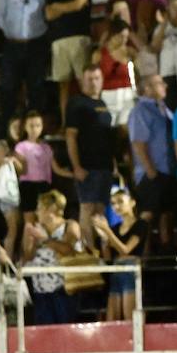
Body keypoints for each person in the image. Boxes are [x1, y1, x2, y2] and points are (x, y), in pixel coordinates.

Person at [65, 66, 115, 248]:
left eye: (96, 78)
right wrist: (76, 165)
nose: (93, 82)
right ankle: (88, 251)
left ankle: (103, 253)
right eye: (89, 79)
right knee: (87, 207)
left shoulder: (103, 104)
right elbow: (70, 135)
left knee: (101, 211)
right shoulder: (77, 103)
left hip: (105, 166)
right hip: (87, 166)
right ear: (82, 81)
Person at [0, 0, 50, 131]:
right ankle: (9, 129)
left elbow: (47, 15)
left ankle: (35, 128)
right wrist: (11, 34)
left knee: (36, 86)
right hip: (13, 44)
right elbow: (0, 17)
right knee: (8, 87)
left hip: (36, 44)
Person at [46, 0, 95, 130]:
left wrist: (59, 6)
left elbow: (78, 4)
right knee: (63, 84)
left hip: (79, 37)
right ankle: (66, 123)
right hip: (58, 40)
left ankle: (88, 120)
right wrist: (64, 7)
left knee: (84, 80)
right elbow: (49, 14)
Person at [22, 189, 83, 325]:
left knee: (65, 330)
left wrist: (44, 239)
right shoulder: (36, 228)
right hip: (40, 290)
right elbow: (28, 256)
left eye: (40, 208)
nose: (37, 213)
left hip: (65, 289)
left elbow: (69, 251)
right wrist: (28, 239)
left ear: (51, 210)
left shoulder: (70, 226)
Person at [127, 74, 173, 245]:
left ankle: (165, 251)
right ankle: (140, 254)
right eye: (159, 83)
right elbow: (138, 143)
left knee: (165, 213)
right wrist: (151, 172)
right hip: (152, 172)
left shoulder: (163, 109)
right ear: (147, 88)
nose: (165, 86)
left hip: (167, 170)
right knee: (148, 213)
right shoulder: (141, 110)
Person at [93, 187, 148, 323]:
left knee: (130, 319)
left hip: (131, 270)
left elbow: (126, 249)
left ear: (132, 202)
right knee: (112, 320)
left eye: (120, 202)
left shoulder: (140, 224)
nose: (116, 206)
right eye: (113, 203)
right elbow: (108, 257)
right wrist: (104, 238)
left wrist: (107, 231)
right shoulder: (115, 228)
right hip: (116, 271)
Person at [14, 109, 72, 231]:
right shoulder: (21, 146)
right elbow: (21, 171)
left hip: (44, 186)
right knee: (29, 222)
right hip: (28, 185)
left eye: (38, 125)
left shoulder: (46, 147)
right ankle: (28, 249)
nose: (35, 129)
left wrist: (72, 174)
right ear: (25, 127)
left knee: (44, 221)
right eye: (31, 126)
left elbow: (56, 169)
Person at [95, 17, 137, 128]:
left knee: (126, 129)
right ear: (112, 35)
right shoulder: (100, 54)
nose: (124, 40)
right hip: (107, 95)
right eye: (121, 36)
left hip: (127, 94)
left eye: (126, 37)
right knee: (109, 129)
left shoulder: (130, 52)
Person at [152, 0, 177, 111]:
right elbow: (155, 48)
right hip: (168, 74)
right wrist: (164, 23)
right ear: (168, 9)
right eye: (175, 7)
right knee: (171, 108)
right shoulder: (161, 28)